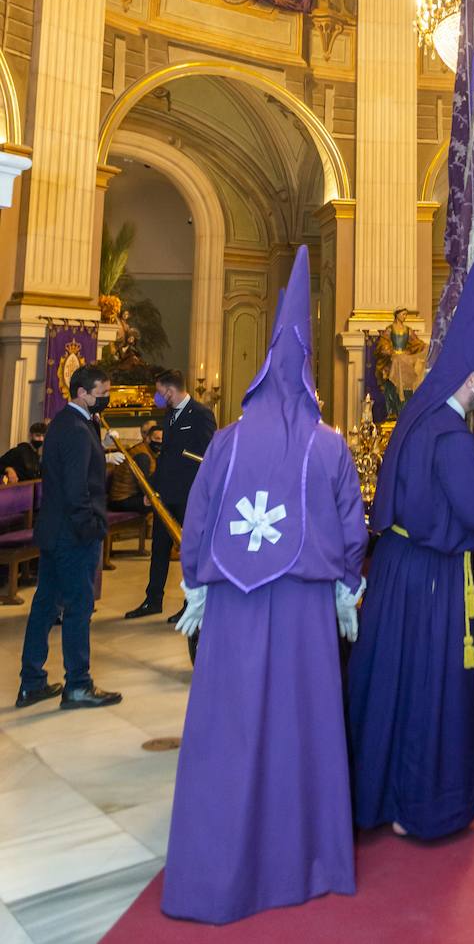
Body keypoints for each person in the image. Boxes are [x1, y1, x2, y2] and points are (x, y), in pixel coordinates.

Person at [162, 247, 366, 924]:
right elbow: (350, 529)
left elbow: (198, 519)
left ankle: (213, 871)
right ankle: (306, 860)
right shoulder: (329, 444)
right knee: (302, 731)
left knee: (228, 730)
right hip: (306, 609)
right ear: (309, 376)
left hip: (233, 609)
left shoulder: (225, 439)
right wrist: (345, 587)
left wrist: (195, 583)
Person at [347, 252, 474, 840]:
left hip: (398, 570)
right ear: (469, 375)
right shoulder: (455, 437)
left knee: (393, 684)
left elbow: (445, 493)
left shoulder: (419, 418)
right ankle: (425, 803)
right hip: (435, 581)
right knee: (430, 689)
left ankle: (378, 794)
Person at [16, 365, 121, 709]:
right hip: (73, 535)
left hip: (55, 530)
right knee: (79, 607)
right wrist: (89, 527)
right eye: (101, 393)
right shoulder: (76, 429)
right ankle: (78, 684)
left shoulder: (65, 423)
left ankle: (31, 683)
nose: (104, 399)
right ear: (82, 392)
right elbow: (78, 489)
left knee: (46, 604)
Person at [125, 371, 215, 622]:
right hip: (165, 492)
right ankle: (153, 599)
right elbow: (165, 457)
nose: (157, 396)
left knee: (189, 551)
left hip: (189, 493)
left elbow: (208, 455)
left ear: (169, 391)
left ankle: (191, 604)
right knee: (159, 548)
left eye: (159, 391)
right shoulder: (169, 414)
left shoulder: (200, 413)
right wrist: (152, 488)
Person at [106, 419, 160, 514]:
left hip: (131, 495)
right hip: (120, 500)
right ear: (147, 438)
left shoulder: (147, 451)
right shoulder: (142, 455)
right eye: (157, 439)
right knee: (159, 505)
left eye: (162, 439)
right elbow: (144, 485)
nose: (160, 442)